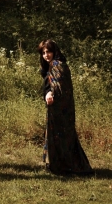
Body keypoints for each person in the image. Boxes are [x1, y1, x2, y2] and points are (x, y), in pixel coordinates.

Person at [37, 39, 93, 175]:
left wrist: (52, 94)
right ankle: (59, 165)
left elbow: (61, 88)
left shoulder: (59, 65)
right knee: (56, 136)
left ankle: (69, 167)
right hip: (55, 107)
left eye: (48, 51)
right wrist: (48, 94)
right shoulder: (50, 66)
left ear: (55, 51)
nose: (46, 54)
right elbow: (49, 86)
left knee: (63, 137)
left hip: (62, 108)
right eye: (43, 52)